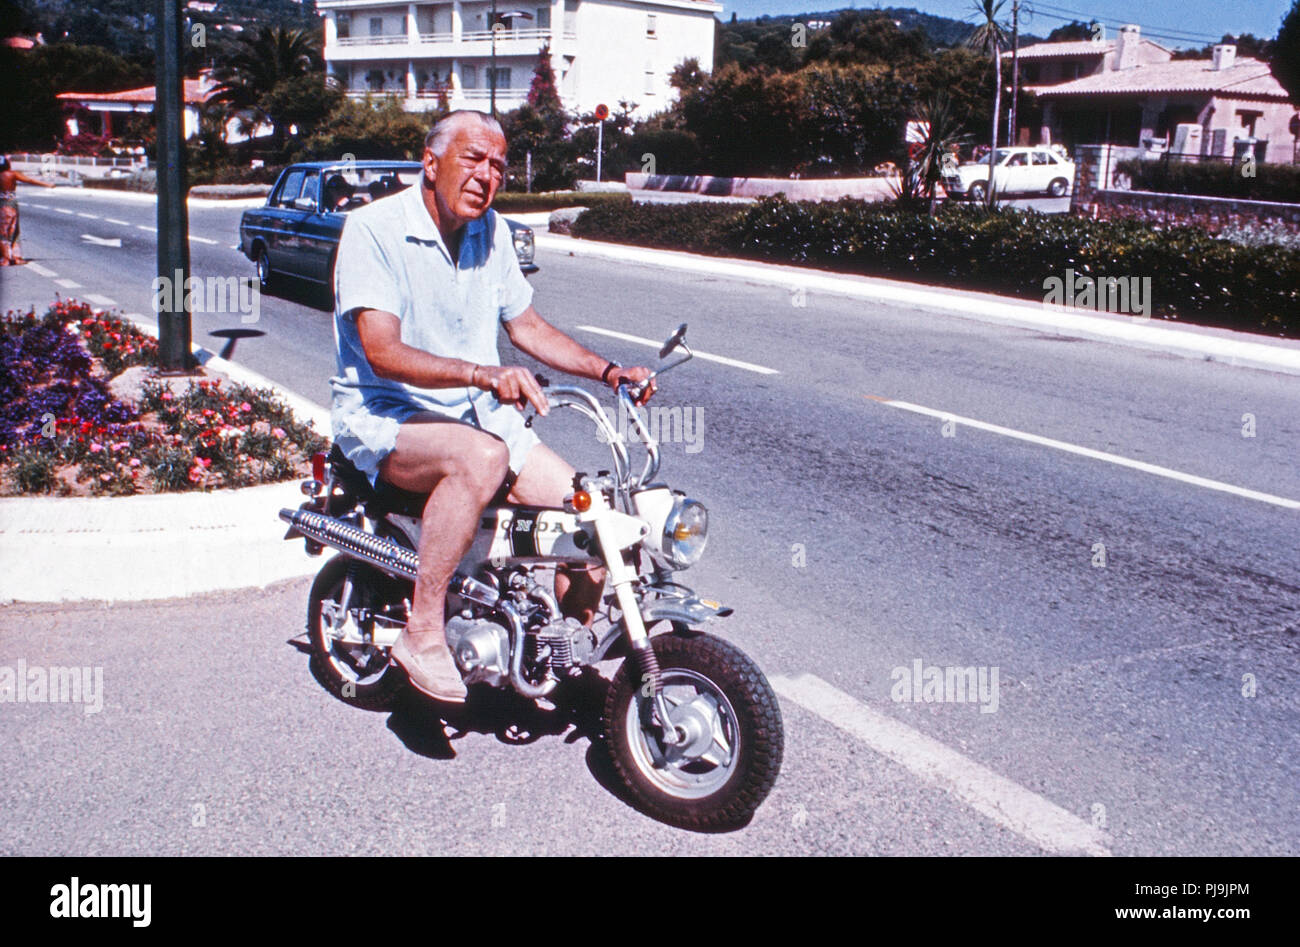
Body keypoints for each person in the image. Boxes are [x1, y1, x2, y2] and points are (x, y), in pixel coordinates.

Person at [330, 110, 656, 702]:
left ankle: (561, 650)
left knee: (594, 523)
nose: (487, 175)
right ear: (430, 163)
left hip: (481, 420)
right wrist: (482, 373)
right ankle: (422, 630)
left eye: (499, 165)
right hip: (390, 417)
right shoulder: (372, 230)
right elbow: (381, 351)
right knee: (481, 458)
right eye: (473, 159)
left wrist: (610, 372)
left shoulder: (494, 232)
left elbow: (527, 326)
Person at [0, 155, 58, 266]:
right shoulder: (12, 174)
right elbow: (29, 180)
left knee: (2, 232)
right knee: (14, 229)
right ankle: (16, 257)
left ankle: (5, 258)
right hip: (12, 204)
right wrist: (47, 184)